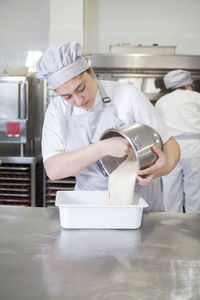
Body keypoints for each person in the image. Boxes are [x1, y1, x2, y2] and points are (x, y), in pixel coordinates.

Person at [36, 41, 180, 212]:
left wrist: (165, 167)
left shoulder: (128, 95)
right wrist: (102, 148)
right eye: (67, 97)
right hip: (90, 204)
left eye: (81, 88)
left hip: (141, 203)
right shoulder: (57, 110)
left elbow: (170, 143)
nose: (78, 100)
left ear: (90, 71)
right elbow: (54, 170)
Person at [156, 69, 200, 213]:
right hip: (195, 147)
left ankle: (171, 223)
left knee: (170, 189)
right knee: (195, 189)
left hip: (170, 146)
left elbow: (157, 126)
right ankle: (194, 225)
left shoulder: (162, 101)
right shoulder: (196, 97)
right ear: (188, 84)